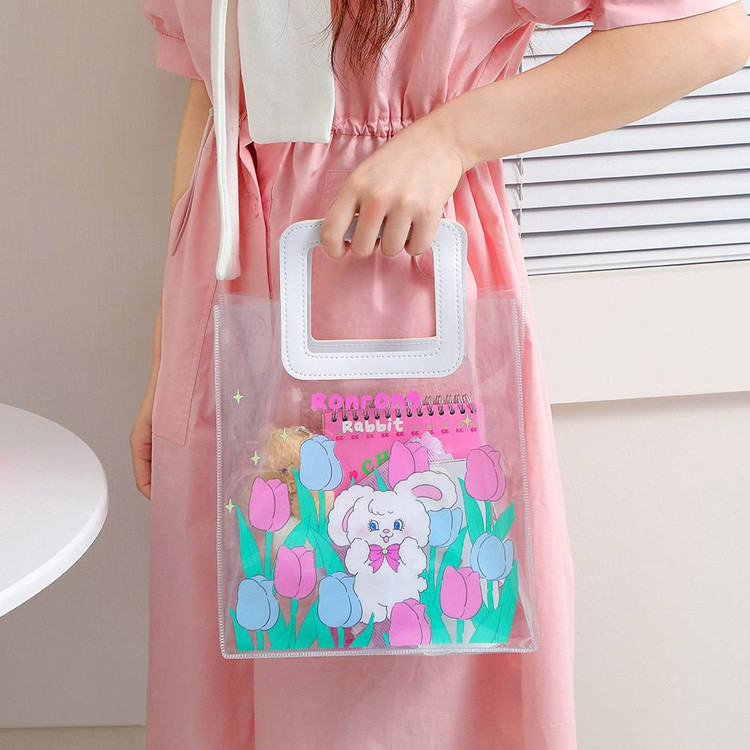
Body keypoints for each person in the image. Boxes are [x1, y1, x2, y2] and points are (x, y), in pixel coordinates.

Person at [132, 2, 750, 748]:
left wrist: (451, 137)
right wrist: (168, 355)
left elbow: (713, 30)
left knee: (391, 640)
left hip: (394, 282)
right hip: (225, 312)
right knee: (232, 645)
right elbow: (211, 96)